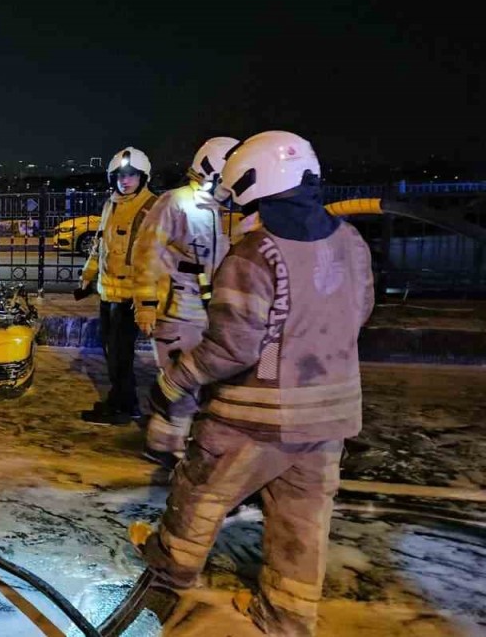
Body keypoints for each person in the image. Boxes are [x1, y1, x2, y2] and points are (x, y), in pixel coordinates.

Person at [131, 131, 374, 636]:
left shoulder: (254, 255)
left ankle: (169, 570)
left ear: (251, 180)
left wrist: (175, 383)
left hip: (255, 414)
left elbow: (232, 347)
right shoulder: (350, 241)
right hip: (330, 415)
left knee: (200, 492)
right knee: (301, 520)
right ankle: (286, 616)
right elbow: (360, 312)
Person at [131, 137, 239, 464]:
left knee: (198, 382)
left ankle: (175, 444)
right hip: (175, 310)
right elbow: (147, 253)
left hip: (207, 312)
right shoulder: (175, 203)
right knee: (179, 379)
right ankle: (163, 447)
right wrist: (146, 305)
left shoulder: (219, 209)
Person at [75, 147, 158, 425]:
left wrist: (146, 305)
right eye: (121, 175)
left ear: (143, 177)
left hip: (128, 299)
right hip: (108, 293)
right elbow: (101, 246)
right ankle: (121, 400)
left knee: (121, 356)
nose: (126, 180)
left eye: (132, 175)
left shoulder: (150, 208)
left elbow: (150, 260)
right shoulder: (111, 204)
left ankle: (125, 406)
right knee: (111, 352)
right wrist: (87, 276)